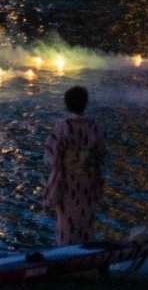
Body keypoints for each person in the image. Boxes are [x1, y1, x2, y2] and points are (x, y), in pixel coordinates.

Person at [41, 84, 106, 246]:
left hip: (68, 181)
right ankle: (86, 251)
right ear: (86, 103)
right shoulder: (95, 126)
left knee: (66, 220)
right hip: (88, 180)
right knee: (86, 215)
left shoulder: (64, 127)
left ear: (67, 104)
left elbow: (52, 156)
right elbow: (102, 153)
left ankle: (65, 254)